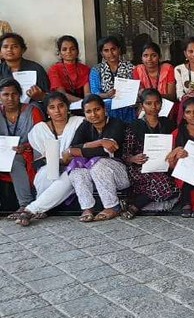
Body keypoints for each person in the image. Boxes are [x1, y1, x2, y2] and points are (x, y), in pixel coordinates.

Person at [15, 92, 85, 226]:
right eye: (52, 107)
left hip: (77, 166)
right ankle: (42, 206)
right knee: (45, 174)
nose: (57, 111)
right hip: (53, 165)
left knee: (69, 176)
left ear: (67, 107)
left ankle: (31, 210)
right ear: (47, 111)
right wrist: (57, 161)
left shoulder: (79, 122)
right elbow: (42, 157)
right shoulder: (39, 129)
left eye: (61, 106)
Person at [63, 94, 129, 222]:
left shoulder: (117, 124)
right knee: (77, 171)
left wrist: (78, 151)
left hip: (120, 174)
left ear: (104, 109)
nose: (93, 114)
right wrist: (99, 142)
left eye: (97, 109)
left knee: (99, 164)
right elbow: (73, 146)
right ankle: (87, 207)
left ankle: (112, 206)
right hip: (95, 176)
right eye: (88, 111)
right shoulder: (85, 126)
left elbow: (107, 151)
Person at [121, 89, 178, 220]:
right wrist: (133, 158)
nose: (153, 107)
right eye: (149, 103)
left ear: (162, 104)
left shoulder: (168, 123)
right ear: (142, 105)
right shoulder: (134, 126)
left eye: (157, 103)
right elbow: (125, 154)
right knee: (167, 185)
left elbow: (176, 143)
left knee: (173, 186)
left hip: (164, 165)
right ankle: (135, 207)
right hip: (141, 167)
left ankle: (133, 204)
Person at [0, 78, 44, 219]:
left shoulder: (32, 111)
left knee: (15, 161)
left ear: (20, 95)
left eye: (14, 94)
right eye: (5, 95)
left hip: (29, 152)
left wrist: (25, 146)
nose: (10, 98)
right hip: (4, 152)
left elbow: (42, 136)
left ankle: (25, 204)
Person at [89, 35, 136, 122]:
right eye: (106, 51)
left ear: (119, 49)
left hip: (128, 108)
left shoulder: (131, 68)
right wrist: (107, 95)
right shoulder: (96, 70)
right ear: (102, 53)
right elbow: (95, 94)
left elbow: (136, 89)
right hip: (107, 110)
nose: (110, 53)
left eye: (113, 49)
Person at [0, 32, 50, 103]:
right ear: (0, 52)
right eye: (5, 47)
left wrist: (40, 96)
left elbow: (49, 97)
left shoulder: (36, 68)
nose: (9, 49)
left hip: (32, 107)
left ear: (23, 50)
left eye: (14, 46)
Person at [48, 35, 91, 103]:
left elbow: (87, 94)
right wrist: (84, 102)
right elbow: (62, 95)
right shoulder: (54, 70)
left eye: (72, 49)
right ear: (59, 53)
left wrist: (87, 104)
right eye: (64, 49)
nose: (68, 51)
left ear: (77, 51)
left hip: (84, 106)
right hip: (63, 105)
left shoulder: (85, 69)